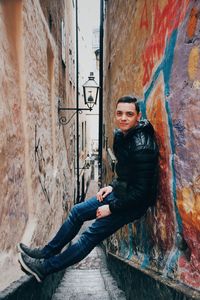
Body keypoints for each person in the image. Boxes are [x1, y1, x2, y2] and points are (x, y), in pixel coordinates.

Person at [18, 96, 159, 282]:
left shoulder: (142, 147)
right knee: (77, 211)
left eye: (129, 114)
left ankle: (44, 268)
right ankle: (45, 252)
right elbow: (125, 174)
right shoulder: (121, 136)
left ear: (138, 116)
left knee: (88, 236)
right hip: (121, 192)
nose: (123, 118)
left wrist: (111, 208)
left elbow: (141, 194)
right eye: (119, 113)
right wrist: (111, 186)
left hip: (132, 204)